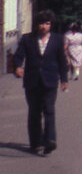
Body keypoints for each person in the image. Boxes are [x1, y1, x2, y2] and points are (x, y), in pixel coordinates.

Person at [12, 10, 70, 156]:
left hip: (50, 81)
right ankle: (36, 142)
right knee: (34, 112)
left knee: (49, 110)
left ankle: (50, 140)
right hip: (32, 81)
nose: (44, 26)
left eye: (47, 23)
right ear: (37, 25)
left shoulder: (57, 39)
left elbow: (62, 61)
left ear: (50, 25)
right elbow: (19, 55)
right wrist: (18, 67)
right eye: (41, 23)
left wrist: (64, 79)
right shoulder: (27, 39)